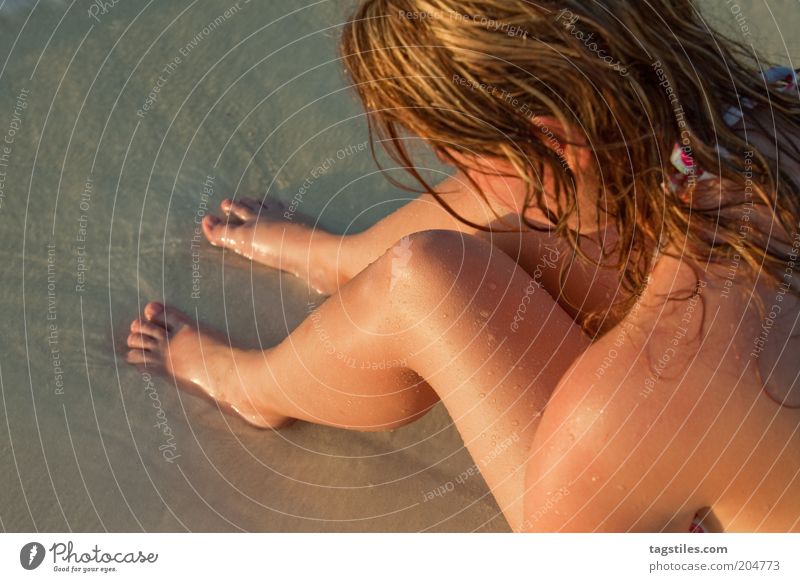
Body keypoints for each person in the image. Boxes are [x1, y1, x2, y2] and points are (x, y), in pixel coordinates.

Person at [125, 0, 800, 532]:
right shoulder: (774, 108)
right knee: (577, 164)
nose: (453, 170)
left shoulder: (621, 414)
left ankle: (253, 386)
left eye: (456, 149)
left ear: (553, 139)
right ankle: (344, 260)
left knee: (425, 280)